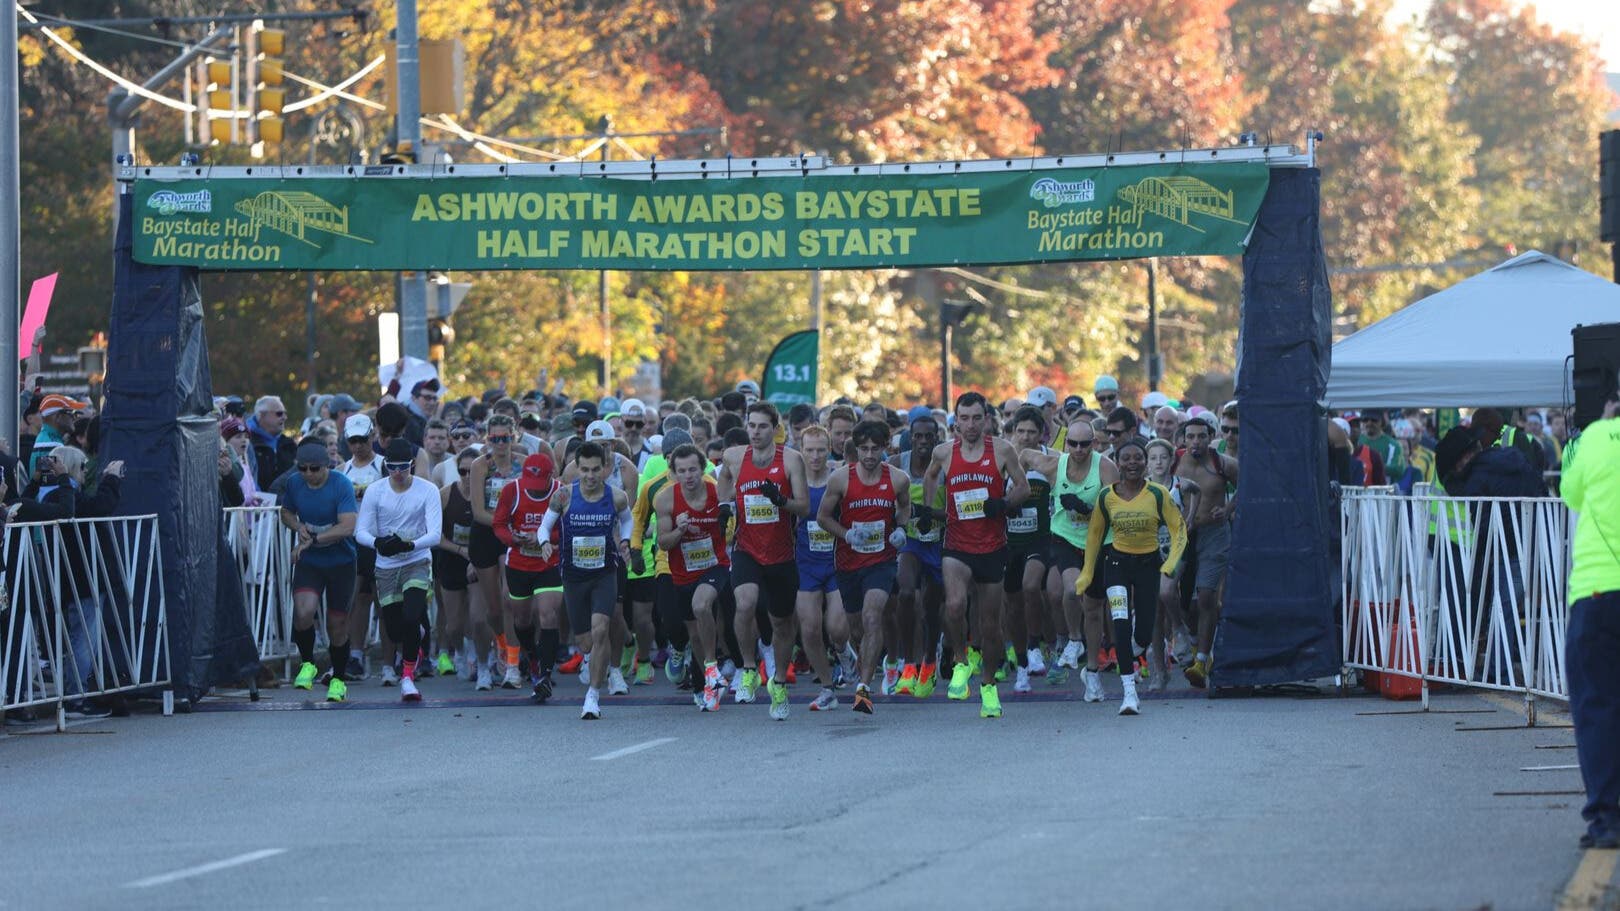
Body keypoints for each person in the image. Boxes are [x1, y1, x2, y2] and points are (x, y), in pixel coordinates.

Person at [920, 391, 1030, 719]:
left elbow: (1023, 488)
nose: (970, 425)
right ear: (955, 422)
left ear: (987, 419)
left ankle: (988, 687)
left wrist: (1005, 504)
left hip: (993, 546)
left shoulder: (1002, 450)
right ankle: (960, 661)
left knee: (990, 625)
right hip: (956, 544)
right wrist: (930, 510)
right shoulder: (944, 452)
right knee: (953, 605)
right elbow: (929, 476)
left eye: (976, 418)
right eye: (963, 419)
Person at [1076, 438, 1187, 714]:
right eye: (1126, 458)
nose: (1133, 463)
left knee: (1144, 632)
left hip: (1148, 565)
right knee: (1121, 625)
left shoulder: (1159, 493)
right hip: (1116, 564)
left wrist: (1171, 561)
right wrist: (1088, 572)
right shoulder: (1106, 496)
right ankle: (1129, 693)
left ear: (1146, 462)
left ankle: (1134, 652)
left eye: (1139, 458)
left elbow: (1178, 529)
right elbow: (1094, 536)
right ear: (1118, 462)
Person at [716, 402, 809, 712]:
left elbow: (804, 507)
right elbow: (724, 486)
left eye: (762, 427)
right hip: (747, 549)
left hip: (781, 553)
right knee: (744, 603)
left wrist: (780, 500)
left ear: (775, 429)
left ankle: (779, 682)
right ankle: (747, 668)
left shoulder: (791, 460)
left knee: (781, 622)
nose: (755, 432)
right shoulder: (734, 456)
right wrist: (725, 506)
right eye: (751, 425)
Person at [816, 419, 911, 714]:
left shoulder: (897, 479)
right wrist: (846, 534)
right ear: (856, 449)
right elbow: (823, 517)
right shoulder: (841, 479)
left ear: (885, 448)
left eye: (875, 449)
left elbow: (905, 507)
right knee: (857, 628)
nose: (869, 455)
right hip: (848, 562)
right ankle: (865, 663)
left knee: (873, 617)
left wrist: (901, 530)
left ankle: (863, 689)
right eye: (864, 449)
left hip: (881, 561)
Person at [1560, 397, 1620, 849]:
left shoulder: (1598, 437)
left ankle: (1606, 818)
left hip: (1598, 592)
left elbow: (1570, 493)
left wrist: (1601, 427)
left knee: (1598, 707)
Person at [537, 442, 634, 719]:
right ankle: (594, 662)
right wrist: (544, 542)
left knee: (601, 628)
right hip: (574, 576)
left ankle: (593, 696)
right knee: (587, 642)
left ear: (605, 468)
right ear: (576, 468)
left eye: (596, 470)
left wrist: (625, 540)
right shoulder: (564, 496)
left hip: (604, 573)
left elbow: (627, 521)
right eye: (585, 470)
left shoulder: (616, 497)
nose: (590, 476)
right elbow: (545, 525)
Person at [1026, 418, 1117, 700]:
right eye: (1073, 444)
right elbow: (1024, 455)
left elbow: (1116, 507)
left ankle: (1091, 672)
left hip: (1098, 540)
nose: (1079, 449)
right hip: (1065, 537)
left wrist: (1088, 508)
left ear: (1095, 444)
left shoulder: (1105, 467)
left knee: (1093, 608)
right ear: (1066, 444)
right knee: (1070, 588)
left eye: (1085, 444)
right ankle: (1074, 640)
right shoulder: (1056, 465)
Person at [354, 439, 443, 702]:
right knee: (394, 629)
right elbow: (361, 531)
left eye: (403, 467)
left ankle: (407, 678)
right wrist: (378, 543)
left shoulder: (427, 490)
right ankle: (415, 637)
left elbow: (435, 534)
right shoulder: (375, 491)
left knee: (412, 615)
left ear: (412, 465)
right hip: (386, 564)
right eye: (392, 467)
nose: (398, 473)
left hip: (416, 559)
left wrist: (411, 544)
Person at [278, 441, 358, 702]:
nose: (309, 474)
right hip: (310, 560)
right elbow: (285, 512)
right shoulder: (294, 483)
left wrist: (314, 539)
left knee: (337, 624)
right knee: (303, 612)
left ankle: (338, 679)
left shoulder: (340, 484)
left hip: (340, 561)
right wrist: (297, 525)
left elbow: (348, 526)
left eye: (315, 469)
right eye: (303, 468)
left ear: (327, 465)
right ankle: (308, 663)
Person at [655, 444, 732, 712]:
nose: (688, 476)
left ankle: (711, 668)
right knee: (694, 634)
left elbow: (734, 520)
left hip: (715, 565)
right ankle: (709, 683)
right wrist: (679, 530)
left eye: (693, 469)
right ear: (674, 473)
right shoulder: (665, 500)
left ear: (703, 469)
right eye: (682, 471)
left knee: (702, 605)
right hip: (682, 572)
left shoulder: (716, 492)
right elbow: (663, 543)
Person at [493, 452, 567, 702]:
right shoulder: (512, 490)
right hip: (519, 563)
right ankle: (533, 657)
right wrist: (514, 538)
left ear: (551, 478)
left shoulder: (561, 492)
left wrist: (545, 537)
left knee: (548, 613)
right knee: (522, 620)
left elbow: (569, 528)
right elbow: (499, 524)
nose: (534, 491)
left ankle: (544, 675)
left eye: (539, 487)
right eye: (531, 486)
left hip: (549, 562)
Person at [1173, 417, 1239, 688]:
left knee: (1207, 595)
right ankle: (1191, 639)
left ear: (1211, 437)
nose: (1196, 442)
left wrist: (1228, 509)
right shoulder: (1174, 461)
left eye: (1201, 436)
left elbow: (1247, 485)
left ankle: (1201, 659)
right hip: (1181, 535)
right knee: (1180, 599)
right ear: (1183, 439)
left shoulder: (1222, 463)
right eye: (1190, 437)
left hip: (1215, 533)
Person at [466, 414, 524, 689]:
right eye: (495, 439)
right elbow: (478, 511)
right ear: (487, 439)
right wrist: (503, 523)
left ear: (514, 438)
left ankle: (513, 664)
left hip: (512, 536)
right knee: (493, 608)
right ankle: (501, 643)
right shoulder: (480, 466)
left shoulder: (523, 464)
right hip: (487, 533)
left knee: (509, 599)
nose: (500, 443)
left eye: (506, 438)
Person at [891, 412, 946, 698]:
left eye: (929, 436)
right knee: (906, 594)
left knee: (931, 608)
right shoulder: (897, 464)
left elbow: (958, 512)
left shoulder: (946, 466)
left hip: (938, 542)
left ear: (937, 438)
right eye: (918, 436)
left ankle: (928, 660)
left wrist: (932, 513)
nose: (923, 441)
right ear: (910, 437)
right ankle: (908, 663)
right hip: (911, 542)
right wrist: (904, 516)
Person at [794, 424, 848, 710]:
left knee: (837, 627)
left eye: (820, 450)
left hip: (837, 562)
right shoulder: (795, 479)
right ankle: (827, 688)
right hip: (806, 564)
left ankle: (843, 651)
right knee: (811, 629)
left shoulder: (838, 478)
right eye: (809, 450)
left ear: (829, 449)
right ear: (801, 450)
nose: (815, 456)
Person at [1004, 406, 1054, 692]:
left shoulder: (1048, 459)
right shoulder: (1003, 459)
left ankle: (1035, 645)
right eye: (1020, 431)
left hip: (1041, 537)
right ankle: (1022, 661)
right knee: (1011, 605)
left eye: (1031, 432)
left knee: (1031, 586)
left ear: (1040, 434)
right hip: (1010, 540)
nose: (1025, 437)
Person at [434, 448, 479, 679]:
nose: (468, 476)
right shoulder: (445, 494)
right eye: (463, 471)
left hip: (479, 558)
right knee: (453, 623)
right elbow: (436, 535)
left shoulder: (487, 494)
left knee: (475, 614)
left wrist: (475, 554)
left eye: (473, 471)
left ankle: (474, 655)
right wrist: (461, 550)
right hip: (452, 556)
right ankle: (459, 651)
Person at [29, 393, 87, 475]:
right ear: (57, 417)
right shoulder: (51, 444)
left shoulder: (48, 438)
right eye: (71, 413)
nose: (75, 418)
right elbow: (52, 485)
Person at [248, 395, 297, 492]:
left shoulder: (289, 444)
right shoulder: (247, 442)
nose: (284, 417)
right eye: (279, 413)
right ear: (262, 415)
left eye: (285, 413)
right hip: (258, 504)